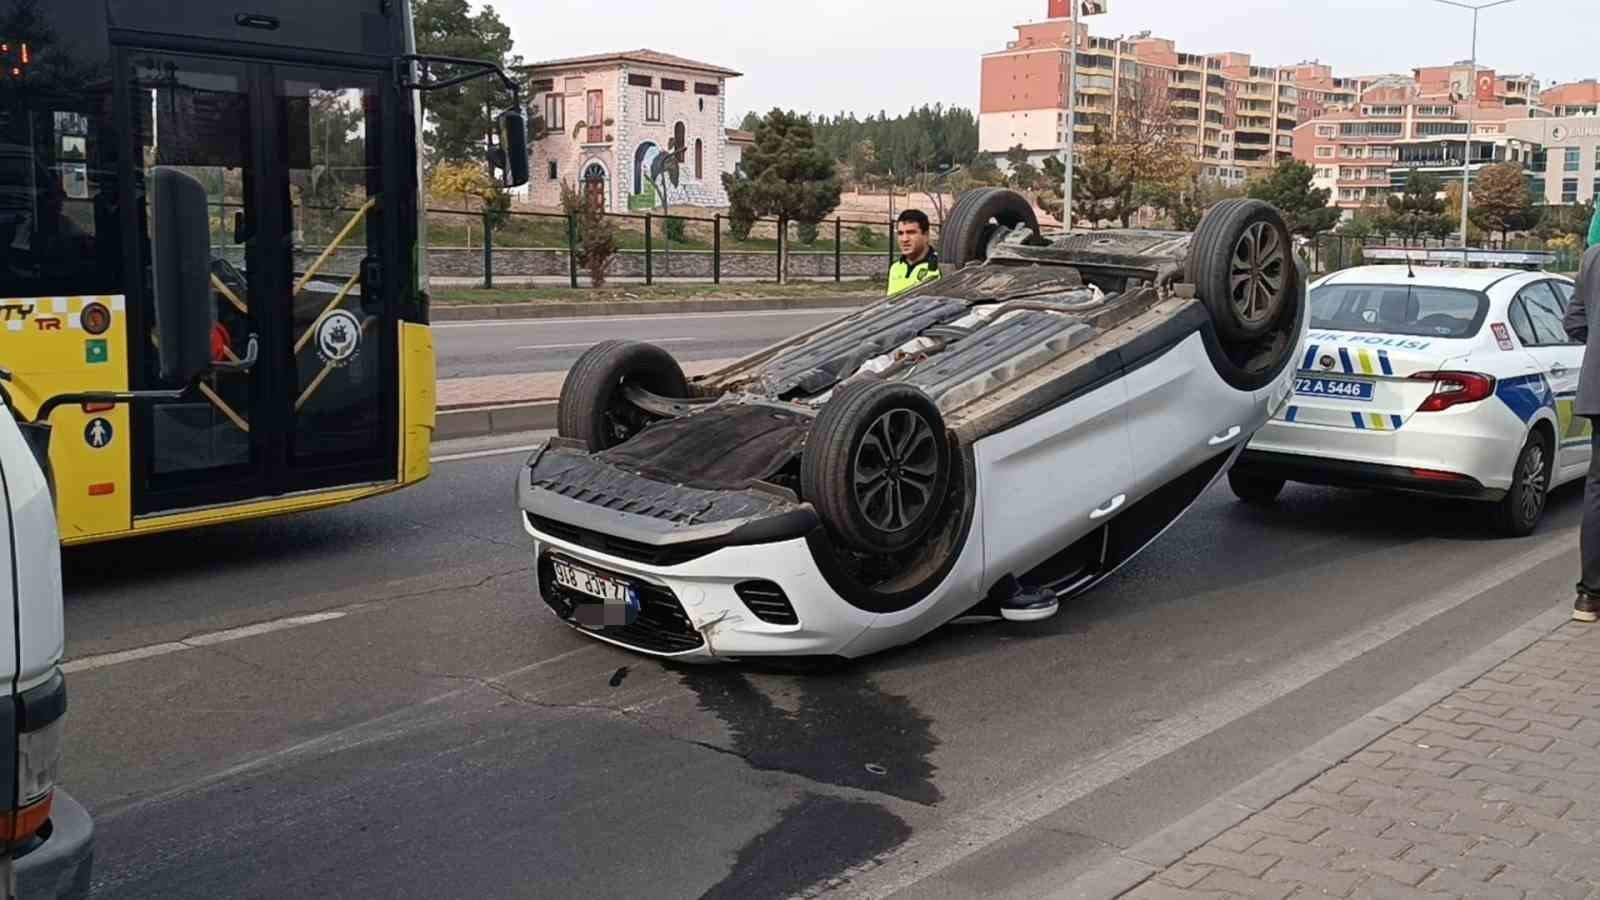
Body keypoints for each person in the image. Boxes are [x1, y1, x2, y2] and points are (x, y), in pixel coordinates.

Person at [1564, 242, 1600, 620]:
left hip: (1598, 390)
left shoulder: (1594, 257)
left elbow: (1573, 322)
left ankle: (1589, 595)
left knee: (1597, 489)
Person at [888, 209, 940, 297]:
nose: (904, 239)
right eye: (900, 233)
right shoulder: (895, 268)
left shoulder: (940, 267)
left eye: (911, 232)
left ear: (926, 235)